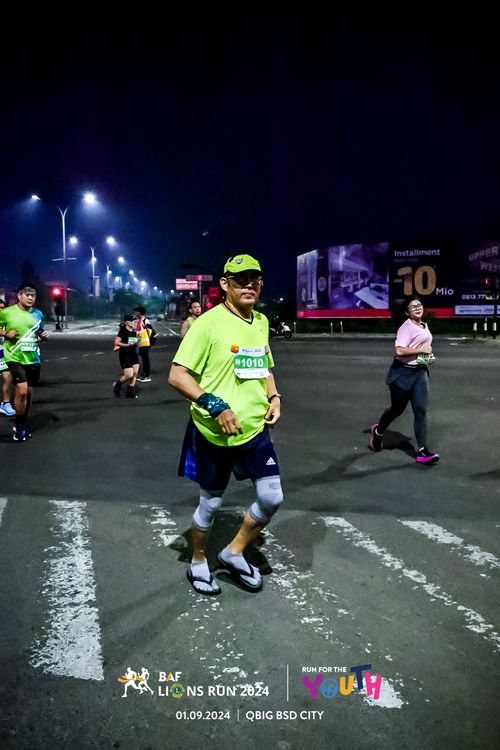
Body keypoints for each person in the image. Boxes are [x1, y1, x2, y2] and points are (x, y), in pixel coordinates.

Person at [168, 253, 284, 596]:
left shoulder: (260, 321)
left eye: (254, 280)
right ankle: (198, 560)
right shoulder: (207, 323)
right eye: (240, 280)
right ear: (225, 284)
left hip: (255, 430)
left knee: (272, 497)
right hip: (213, 432)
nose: (249, 286)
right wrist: (215, 404)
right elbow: (177, 375)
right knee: (211, 504)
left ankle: (233, 552)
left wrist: (274, 396)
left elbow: (264, 365)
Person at [369, 297, 440, 464]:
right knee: (397, 409)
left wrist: (426, 359)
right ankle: (378, 432)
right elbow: (399, 352)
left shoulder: (423, 326)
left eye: (419, 305)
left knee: (420, 410)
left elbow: (419, 353)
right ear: (407, 312)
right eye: (413, 307)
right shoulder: (405, 328)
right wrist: (423, 349)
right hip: (402, 373)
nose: (417, 308)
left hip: (419, 373)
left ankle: (422, 451)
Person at [0, 285, 49, 441]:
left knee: (28, 391)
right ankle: (20, 425)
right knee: (21, 390)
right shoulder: (7, 312)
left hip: (32, 357)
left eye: (33, 295)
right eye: (27, 295)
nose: (30, 298)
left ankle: (22, 420)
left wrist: (44, 336)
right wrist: (5, 333)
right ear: (19, 296)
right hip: (14, 356)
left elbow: (38, 332)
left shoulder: (38, 314)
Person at [113, 314, 140, 399]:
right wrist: (127, 345)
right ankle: (118, 385)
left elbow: (137, 343)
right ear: (126, 322)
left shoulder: (134, 331)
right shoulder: (123, 331)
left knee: (135, 374)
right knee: (129, 375)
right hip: (125, 354)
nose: (133, 322)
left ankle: (130, 393)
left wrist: (138, 341)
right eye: (131, 320)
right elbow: (116, 342)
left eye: (134, 321)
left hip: (134, 354)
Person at [0, 298, 16, 417]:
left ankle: (6, 404)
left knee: (8, 376)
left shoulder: (8, 320)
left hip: (2, 351)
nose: (1, 310)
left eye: (3, 308)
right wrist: (5, 333)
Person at [133, 306, 155, 382]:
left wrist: (145, 338)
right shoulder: (139, 320)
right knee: (143, 359)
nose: (135, 313)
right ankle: (144, 374)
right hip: (141, 344)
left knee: (146, 360)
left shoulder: (145, 320)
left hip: (145, 343)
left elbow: (150, 330)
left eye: (136, 311)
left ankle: (147, 376)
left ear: (139, 312)